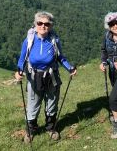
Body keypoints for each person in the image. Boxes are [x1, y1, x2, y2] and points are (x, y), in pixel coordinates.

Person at [15, 11, 77, 143]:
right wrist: (19, 71)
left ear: (51, 26)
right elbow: (22, 59)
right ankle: (31, 131)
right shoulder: (29, 40)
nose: (43, 26)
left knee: (52, 103)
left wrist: (70, 68)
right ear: (35, 24)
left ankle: (51, 128)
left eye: (47, 24)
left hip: (52, 75)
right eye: (40, 23)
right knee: (33, 104)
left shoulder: (54, 40)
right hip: (34, 76)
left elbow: (61, 57)